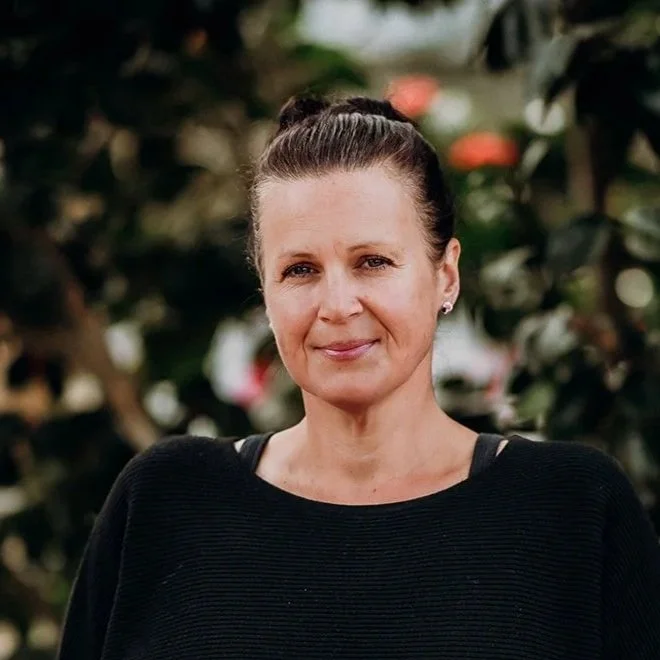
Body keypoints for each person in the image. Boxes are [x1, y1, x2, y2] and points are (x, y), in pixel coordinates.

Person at [57, 96, 660, 660]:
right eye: (300, 270)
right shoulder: (165, 502)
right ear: (264, 289)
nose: (338, 305)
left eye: (373, 262)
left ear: (445, 275)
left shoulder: (573, 509)